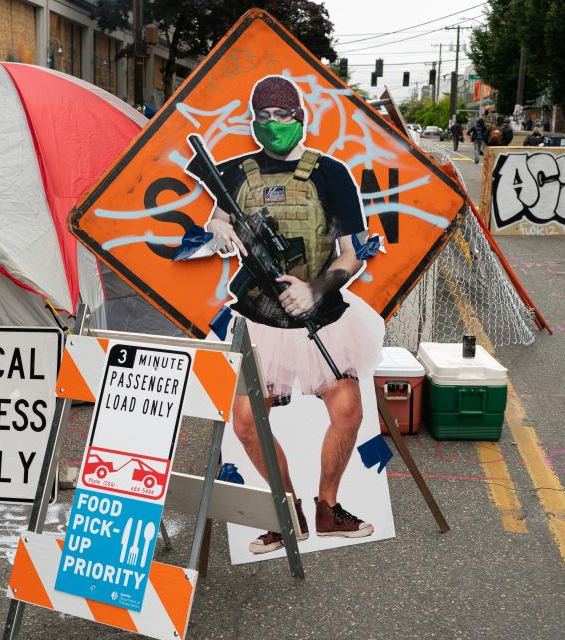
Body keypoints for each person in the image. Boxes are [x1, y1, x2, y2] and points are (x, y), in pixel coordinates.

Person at [202, 75, 380, 554]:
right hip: (259, 316)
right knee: (244, 421)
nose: (273, 124)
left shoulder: (330, 174)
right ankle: (286, 511)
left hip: (320, 311)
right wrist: (220, 229)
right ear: (254, 121)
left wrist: (316, 287)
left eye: (283, 115)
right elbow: (216, 215)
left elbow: (353, 253)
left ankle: (327, 506)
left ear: (300, 118)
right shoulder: (234, 172)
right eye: (264, 116)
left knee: (348, 411)